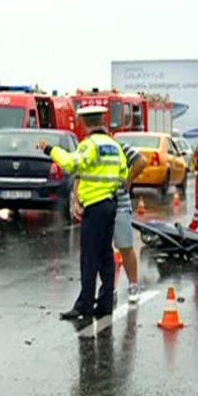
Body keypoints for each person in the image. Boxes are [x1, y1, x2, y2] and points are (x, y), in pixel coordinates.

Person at [40, 106, 129, 320]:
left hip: (95, 206)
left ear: (85, 123)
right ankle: (105, 303)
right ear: (101, 121)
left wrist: (50, 150)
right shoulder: (114, 145)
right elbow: (124, 173)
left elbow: (72, 163)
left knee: (89, 258)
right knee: (106, 255)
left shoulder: (90, 145)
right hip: (110, 204)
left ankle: (85, 305)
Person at [71, 118, 148, 304]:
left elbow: (141, 161)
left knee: (125, 246)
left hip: (119, 205)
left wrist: (128, 181)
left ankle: (133, 285)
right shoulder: (90, 150)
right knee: (103, 251)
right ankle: (108, 289)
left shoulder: (118, 147)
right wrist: (76, 201)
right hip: (95, 205)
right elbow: (79, 176)